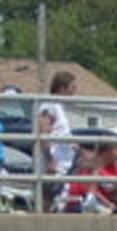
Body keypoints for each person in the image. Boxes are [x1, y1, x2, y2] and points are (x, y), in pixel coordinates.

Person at [38, 70, 78, 212]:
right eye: (72, 88)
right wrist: (50, 159)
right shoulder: (50, 105)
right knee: (47, 199)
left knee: (56, 199)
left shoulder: (59, 107)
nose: (74, 91)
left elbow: (59, 132)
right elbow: (43, 131)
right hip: (54, 162)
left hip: (63, 162)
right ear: (62, 88)